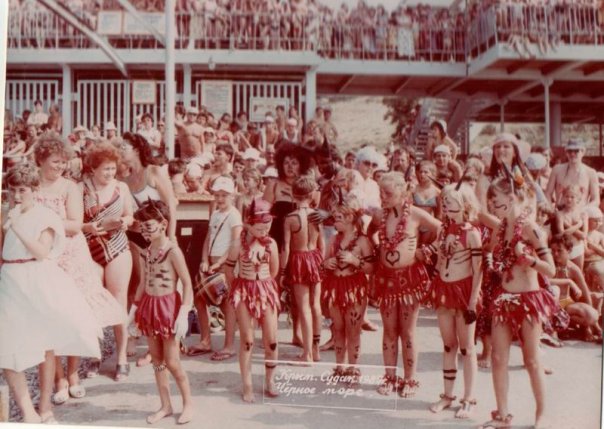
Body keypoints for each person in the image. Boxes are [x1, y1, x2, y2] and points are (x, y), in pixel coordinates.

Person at [0, 163, 101, 424]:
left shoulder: (44, 216)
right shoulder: (5, 213)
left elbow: (41, 252)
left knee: (44, 345)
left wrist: (16, 226)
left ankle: (45, 407)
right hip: (9, 279)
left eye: (22, 190)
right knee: (6, 346)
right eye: (12, 190)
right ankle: (28, 413)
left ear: (34, 190)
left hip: (36, 280)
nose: (16, 196)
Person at [33, 133, 124, 400]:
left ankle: (73, 374)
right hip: (41, 257)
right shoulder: (31, 185)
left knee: (75, 315)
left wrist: (42, 222)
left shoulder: (70, 187)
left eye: (63, 162)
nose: (60, 166)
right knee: (49, 316)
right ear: (41, 159)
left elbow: (75, 224)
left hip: (69, 255)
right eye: (55, 161)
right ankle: (59, 378)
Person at [478, 176, 557, 429]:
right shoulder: (500, 229)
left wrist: (530, 261)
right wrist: (491, 264)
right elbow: (488, 250)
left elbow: (551, 269)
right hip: (504, 298)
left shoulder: (531, 228)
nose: (492, 206)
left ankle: (542, 415)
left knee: (532, 361)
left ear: (511, 199)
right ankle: (502, 416)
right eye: (490, 202)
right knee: (498, 358)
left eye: (496, 201)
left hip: (528, 300)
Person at [369, 172, 440, 398]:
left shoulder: (416, 214)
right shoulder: (379, 215)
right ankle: (390, 377)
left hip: (410, 279)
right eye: (381, 192)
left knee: (408, 333)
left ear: (402, 192)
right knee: (389, 331)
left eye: (388, 193)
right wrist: (376, 250)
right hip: (386, 280)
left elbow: (443, 229)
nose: (383, 197)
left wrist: (427, 250)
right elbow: (370, 233)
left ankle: (410, 379)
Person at [128, 200, 194, 424]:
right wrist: (132, 312)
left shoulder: (173, 251)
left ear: (163, 224)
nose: (144, 232)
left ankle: (188, 404)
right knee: (157, 360)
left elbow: (187, 283)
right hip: (150, 307)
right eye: (142, 227)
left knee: (172, 362)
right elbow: (142, 283)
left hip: (168, 309)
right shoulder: (146, 253)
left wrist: (184, 312)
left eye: (148, 226)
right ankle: (165, 405)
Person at [81, 142, 134, 381]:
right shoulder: (81, 188)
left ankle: (121, 357)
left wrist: (125, 222)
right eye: (105, 169)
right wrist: (89, 227)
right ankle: (95, 355)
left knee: (118, 301)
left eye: (113, 168)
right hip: (90, 247)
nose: (110, 173)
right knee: (92, 302)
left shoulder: (122, 187)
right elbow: (76, 219)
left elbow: (130, 215)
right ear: (93, 168)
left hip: (117, 246)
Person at [428, 184, 482, 419]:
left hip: (464, 292)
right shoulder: (442, 230)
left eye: (450, 200)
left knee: (467, 348)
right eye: (444, 200)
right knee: (448, 345)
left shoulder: (472, 233)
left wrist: (472, 301)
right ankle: (448, 395)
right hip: (444, 289)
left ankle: (469, 399)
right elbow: (440, 262)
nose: (446, 203)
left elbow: (478, 270)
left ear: (464, 203)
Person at [224, 198, 281, 403]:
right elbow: (228, 269)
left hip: (266, 289)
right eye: (260, 228)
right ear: (248, 224)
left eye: (268, 226)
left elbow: (274, 270)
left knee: (271, 340)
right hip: (244, 290)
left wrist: (263, 286)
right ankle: (247, 385)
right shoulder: (237, 245)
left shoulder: (271, 244)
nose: (265, 231)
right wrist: (238, 289)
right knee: (247, 340)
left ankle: (270, 380)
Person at [190, 175, 242, 361]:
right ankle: (205, 340)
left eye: (224, 195)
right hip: (211, 265)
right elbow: (208, 238)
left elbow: (236, 243)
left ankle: (229, 345)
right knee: (199, 299)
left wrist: (220, 263)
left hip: (225, 267)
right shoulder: (215, 214)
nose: (220, 199)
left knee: (226, 303)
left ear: (232, 196)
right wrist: (204, 259)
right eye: (217, 195)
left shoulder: (234, 215)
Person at [322, 194, 374, 378]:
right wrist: (327, 264)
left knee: (353, 331)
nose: (334, 222)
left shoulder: (362, 241)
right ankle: (340, 367)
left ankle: (353, 368)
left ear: (350, 218)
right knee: (338, 329)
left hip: (354, 288)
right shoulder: (333, 239)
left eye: (338, 218)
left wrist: (355, 261)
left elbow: (371, 268)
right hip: (335, 287)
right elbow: (324, 262)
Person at [282, 175, 325, 362]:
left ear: (293, 195)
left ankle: (307, 354)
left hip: (299, 259)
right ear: (311, 194)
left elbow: (286, 248)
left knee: (304, 307)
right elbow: (322, 245)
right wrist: (320, 263)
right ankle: (316, 350)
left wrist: (282, 272)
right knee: (316, 305)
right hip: (315, 257)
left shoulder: (290, 218)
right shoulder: (317, 216)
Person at [550, 234, 601, 342]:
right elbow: (544, 281)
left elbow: (586, 294)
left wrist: (589, 327)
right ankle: (557, 328)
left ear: (569, 250)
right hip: (550, 305)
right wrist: (569, 281)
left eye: (559, 250)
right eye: (553, 251)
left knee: (592, 315)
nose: (555, 254)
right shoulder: (550, 265)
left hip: (566, 305)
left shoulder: (573, 269)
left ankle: (571, 326)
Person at [546, 139, 600, 209]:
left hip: (581, 212)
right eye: (570, 151)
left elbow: (596, 200)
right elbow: (548, 194)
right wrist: (551, 209)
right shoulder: (557, 170)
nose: (572, 154)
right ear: (566, 152)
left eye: (576, 151)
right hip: (559, 212)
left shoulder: (590, 173)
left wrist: (583, 211)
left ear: (583, 152)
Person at [555, 185, 588, 270]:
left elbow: (584, 236)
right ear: (563, 197)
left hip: (578, 247)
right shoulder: (560, 214)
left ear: (578, 199)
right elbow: (562, 234)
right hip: (564, 249)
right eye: (567, 196)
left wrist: (567, 225)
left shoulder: (583, 214)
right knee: (564, 272)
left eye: (572, 197)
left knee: (579, 272)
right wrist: (579, 224)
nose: (569, 199)